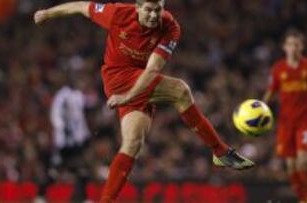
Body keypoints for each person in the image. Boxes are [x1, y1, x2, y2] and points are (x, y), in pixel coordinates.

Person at [34, 1, 254, 202]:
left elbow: (153, 69)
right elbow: (82, 6)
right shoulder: (118, 14)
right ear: (137, 7)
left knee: (133, 144)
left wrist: (129, 97)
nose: (152, 15)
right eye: (147, 9)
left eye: (157, 9)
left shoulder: (170, 27)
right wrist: (48, 13)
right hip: (117, 78)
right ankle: (220, 151)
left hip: (139, 81)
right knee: (180, 91)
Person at [263, 30, 307, 203]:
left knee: (303, 159)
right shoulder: (278, 69)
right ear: (284, 47)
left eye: (297, 44)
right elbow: (270, 92)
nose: (293, 48)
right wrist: (261, 107)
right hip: (286, 123)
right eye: (290, 44)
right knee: (291, 165)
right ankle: (303, 199)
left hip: (306, 120)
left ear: (302, 47)